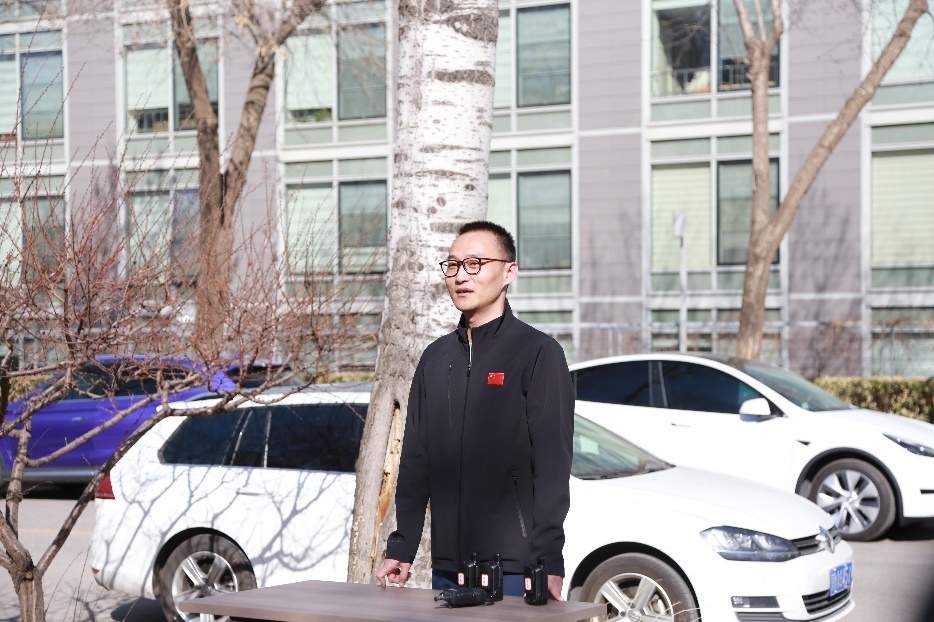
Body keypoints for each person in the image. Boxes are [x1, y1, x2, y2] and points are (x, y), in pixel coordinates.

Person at [375, 220, 575, 600]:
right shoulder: (436, 358)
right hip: (449, 567)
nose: (460, 276)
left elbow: (553, 464)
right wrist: (402, 545)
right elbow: (417, 460)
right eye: (453, 265)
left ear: (509, 272)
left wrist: (548, 559)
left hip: (516, 568)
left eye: (475, 263)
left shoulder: (538, 353)